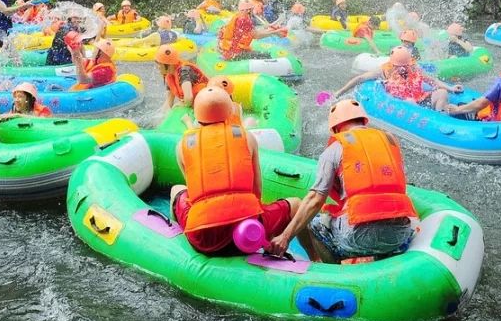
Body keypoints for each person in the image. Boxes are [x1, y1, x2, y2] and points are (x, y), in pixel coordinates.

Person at [268, 99, 416, 263]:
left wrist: (285, 237)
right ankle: (381, 262)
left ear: (336, 128)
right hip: (400, 234)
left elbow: (314, 200)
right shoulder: (390, 142)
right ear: (363, 120)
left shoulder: (335, 149)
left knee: (314, 223)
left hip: (357, 238)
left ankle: (327, 267)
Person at [170, 86, 299, 256]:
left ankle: (178, 249)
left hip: (203, 239)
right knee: (297, 204)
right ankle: (314, 259)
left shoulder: (182, 145)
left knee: (176, 190)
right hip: (248, 233)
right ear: (229, 111)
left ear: (197, 115)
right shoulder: (246, 137)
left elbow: (193, 193)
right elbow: (257, 189)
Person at [334, 47, 462, 110]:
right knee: (411, 101)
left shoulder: (414, 67)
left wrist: (450, 88)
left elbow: (432, 81)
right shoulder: (384, 69)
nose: (403, 69)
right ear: (393, 64)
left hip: (420, 97)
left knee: (442, 93)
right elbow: (360, 78)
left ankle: (438, 117)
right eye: (399, 66)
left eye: (405, 66)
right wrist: (340, 92)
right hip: (402, 100)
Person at [216, 0, 285, 61]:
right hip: (235, 53)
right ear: (248, 10)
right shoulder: (245, 20)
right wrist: (275, 33)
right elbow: (257, 35)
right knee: (266, 55)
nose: (253, 11)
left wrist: (270, 30)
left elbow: (255, 32)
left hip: (228, 51)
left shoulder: (237, 16)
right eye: (252, 9)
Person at [155, 44, 208, 109]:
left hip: (206, 102)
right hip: (197, 104)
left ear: (168, 65)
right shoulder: (169, 75)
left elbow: (189, 98)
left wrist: (182, 104)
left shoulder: (184, 71)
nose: (157, 67)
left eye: (159, 64)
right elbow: (169, 102)